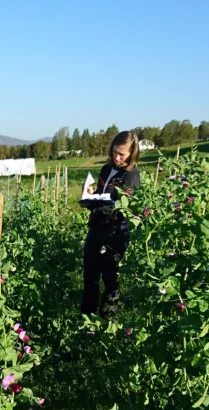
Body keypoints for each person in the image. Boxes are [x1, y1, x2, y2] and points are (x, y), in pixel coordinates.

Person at [80, 131, 141, 316]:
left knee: (110, 278)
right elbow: (101, 195)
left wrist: (95, 205)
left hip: (115, 233)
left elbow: (123, 208)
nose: (117, 157)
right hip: (96, 228)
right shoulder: (106, 169)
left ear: (132, 153)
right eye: (114, 152)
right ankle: (87, 317)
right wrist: (89, 196)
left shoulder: (131, 175)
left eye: (122, 154)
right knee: (90, 274)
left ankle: (107, 321)